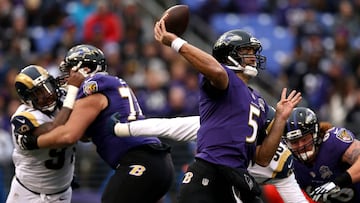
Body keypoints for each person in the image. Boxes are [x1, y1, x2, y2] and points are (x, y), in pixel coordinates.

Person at [154, 18, 302, 203]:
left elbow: (263, 158)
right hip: (211, 171)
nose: (252, 57)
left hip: (236, 175)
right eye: (246, 51)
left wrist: (280, 119)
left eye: (253, 52)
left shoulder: (259, 102)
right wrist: (176, 42)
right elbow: (216, 72)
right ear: (228, 56)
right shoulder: (225, 80)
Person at [17, 44, 175, 203]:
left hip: (139, 162)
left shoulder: (94, 89)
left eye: (70, 69)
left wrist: (33, 141)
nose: (67, 76)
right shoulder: (112, 84)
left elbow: (69, 135)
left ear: (84, 69)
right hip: (159, 163)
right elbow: (85, 135)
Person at [110, 106, 309, 203]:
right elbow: (169, 126)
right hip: (207, 180)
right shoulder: (223, 128)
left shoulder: (281, 163)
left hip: (237, 189)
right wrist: (123, 129)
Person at [6, 65, 84, 203]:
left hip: (61, 193)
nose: (47, 95)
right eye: (38, 93)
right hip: (27, 193)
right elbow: (54, 129)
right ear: (28, 99)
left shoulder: (62, 99)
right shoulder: (23, 117)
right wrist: (72, 92)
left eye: (47, 87)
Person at [283, 107, 360, 203]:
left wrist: (336, 183)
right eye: (294, 142)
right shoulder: (289, 162)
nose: (301, 145)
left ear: (315, 133)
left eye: (304, 139)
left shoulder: (332, 142)